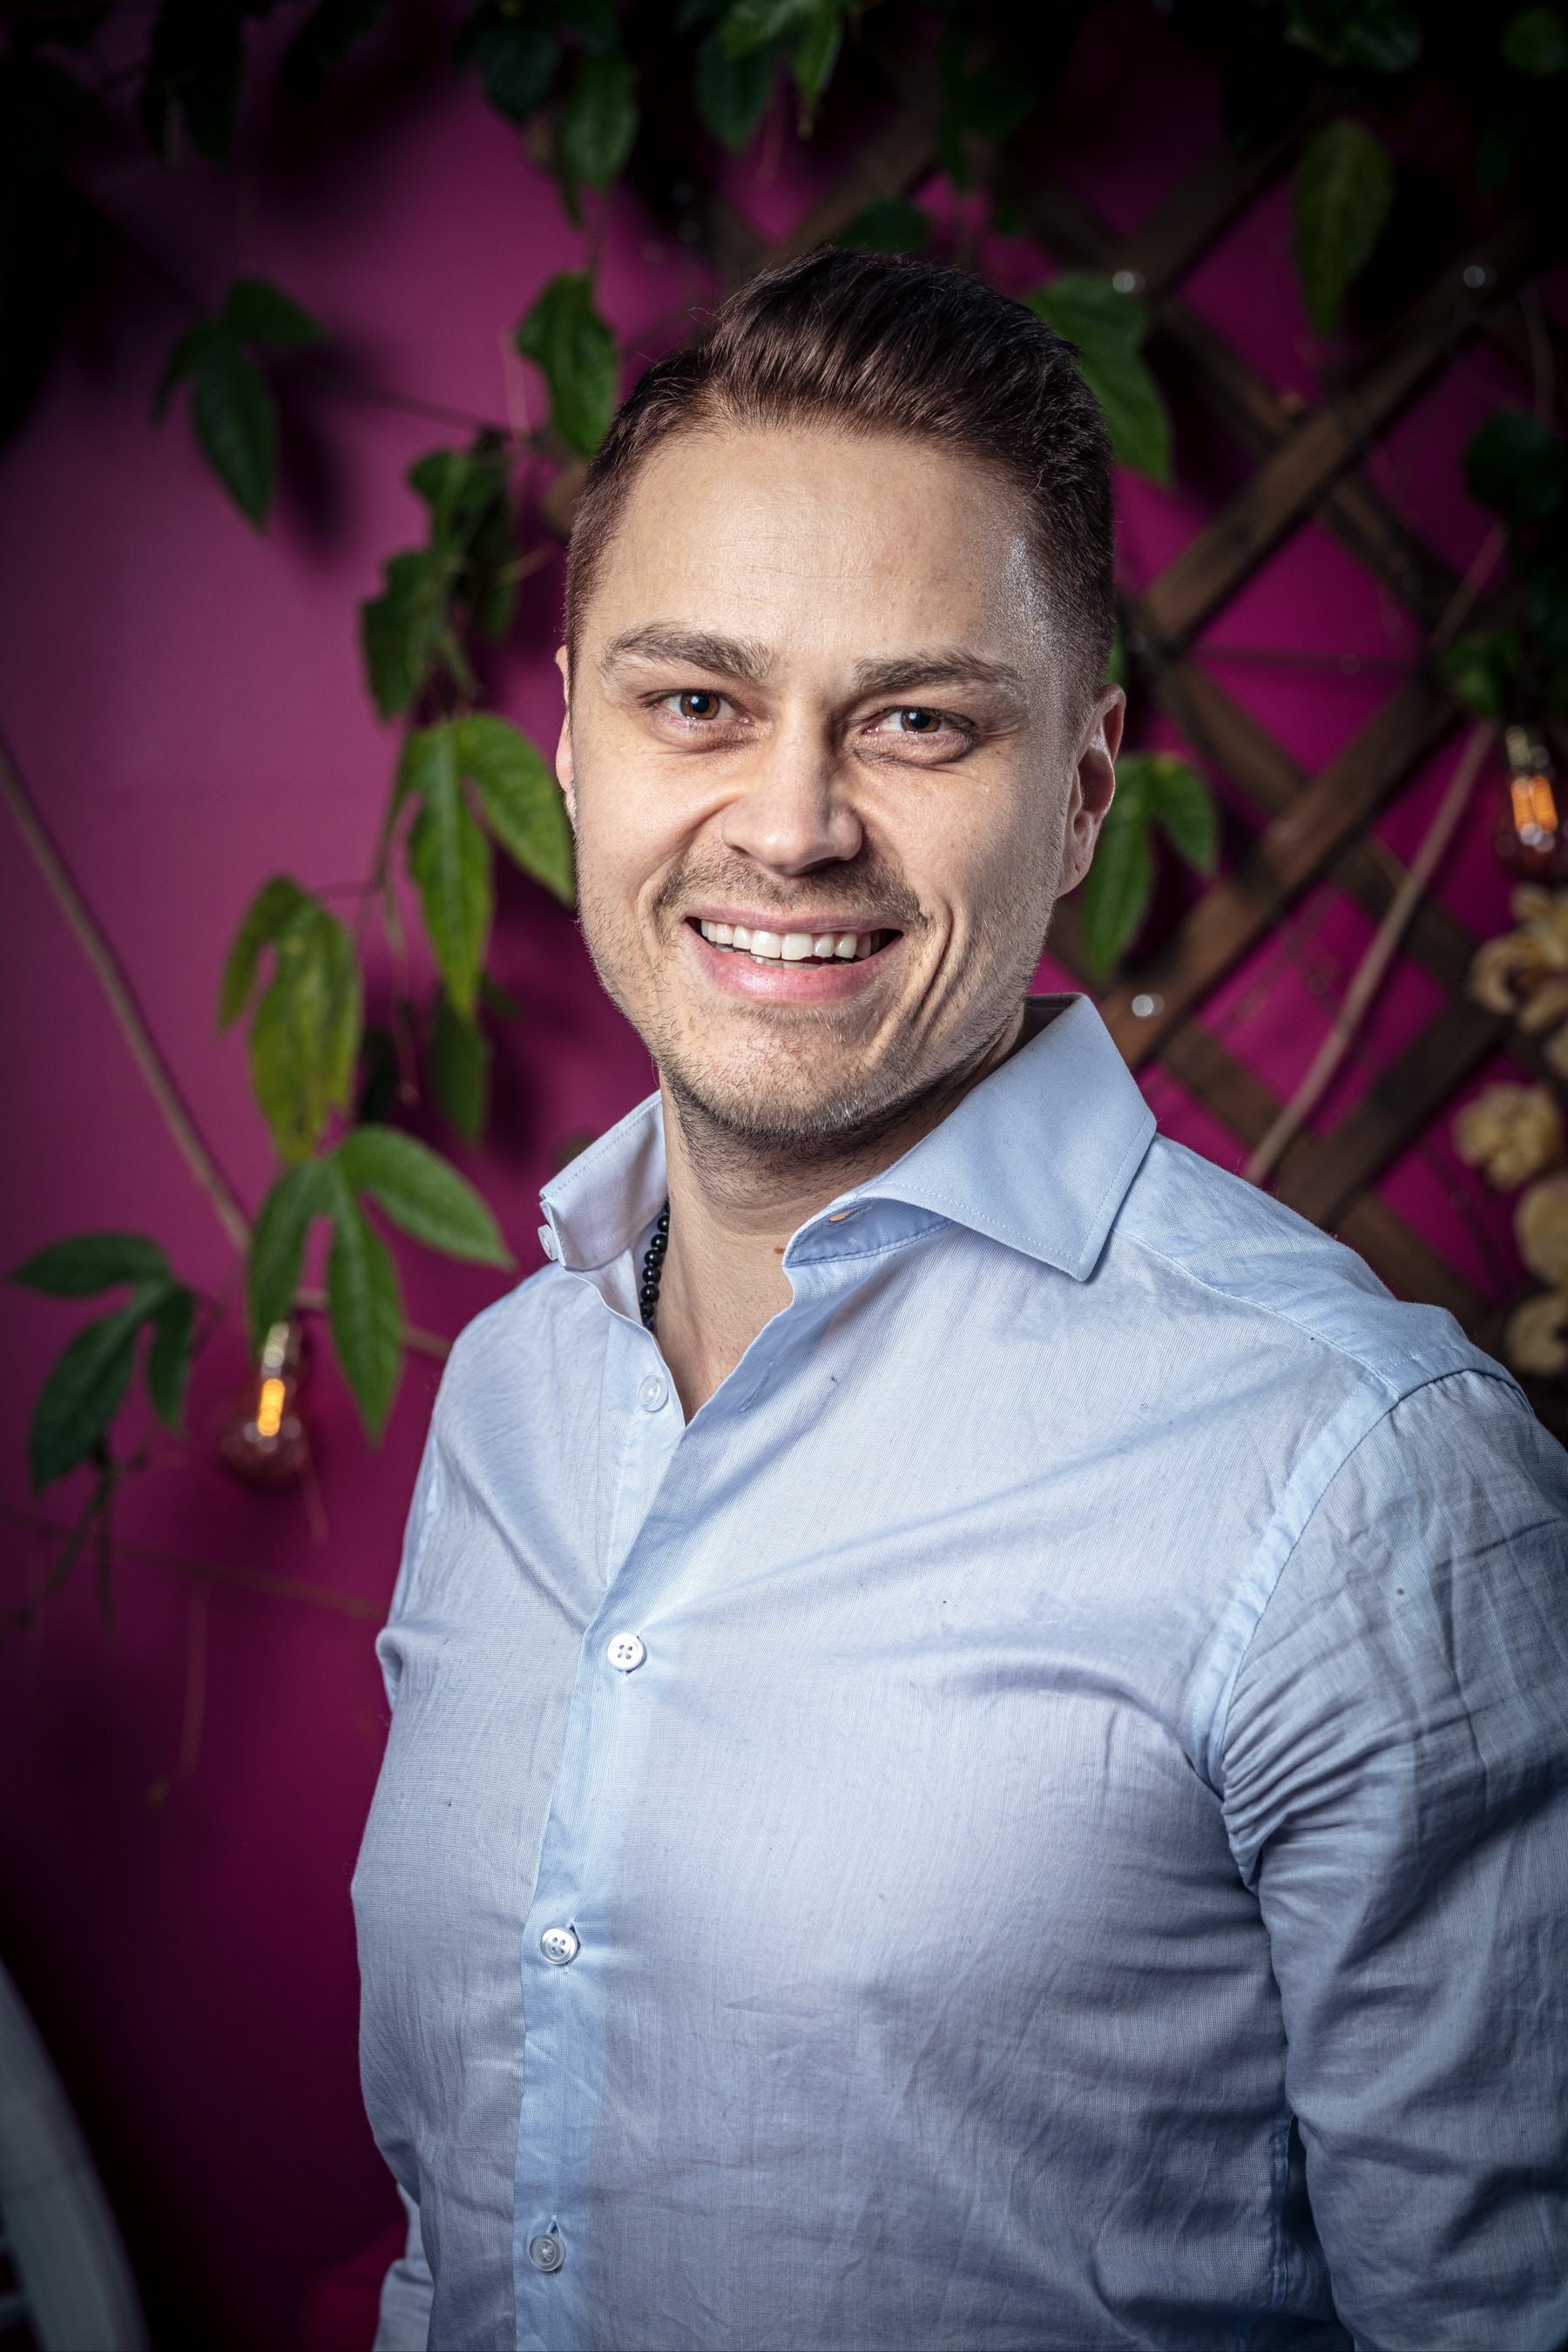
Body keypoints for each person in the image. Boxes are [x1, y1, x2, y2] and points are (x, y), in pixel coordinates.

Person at [352, 249, 1568, 2352]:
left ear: (1081, 793)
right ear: (569, 744)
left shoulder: (1364, 1479)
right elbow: (457, 2243)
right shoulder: (514, 1393)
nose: (792, 824)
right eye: (697, 702)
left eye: (919, 721)